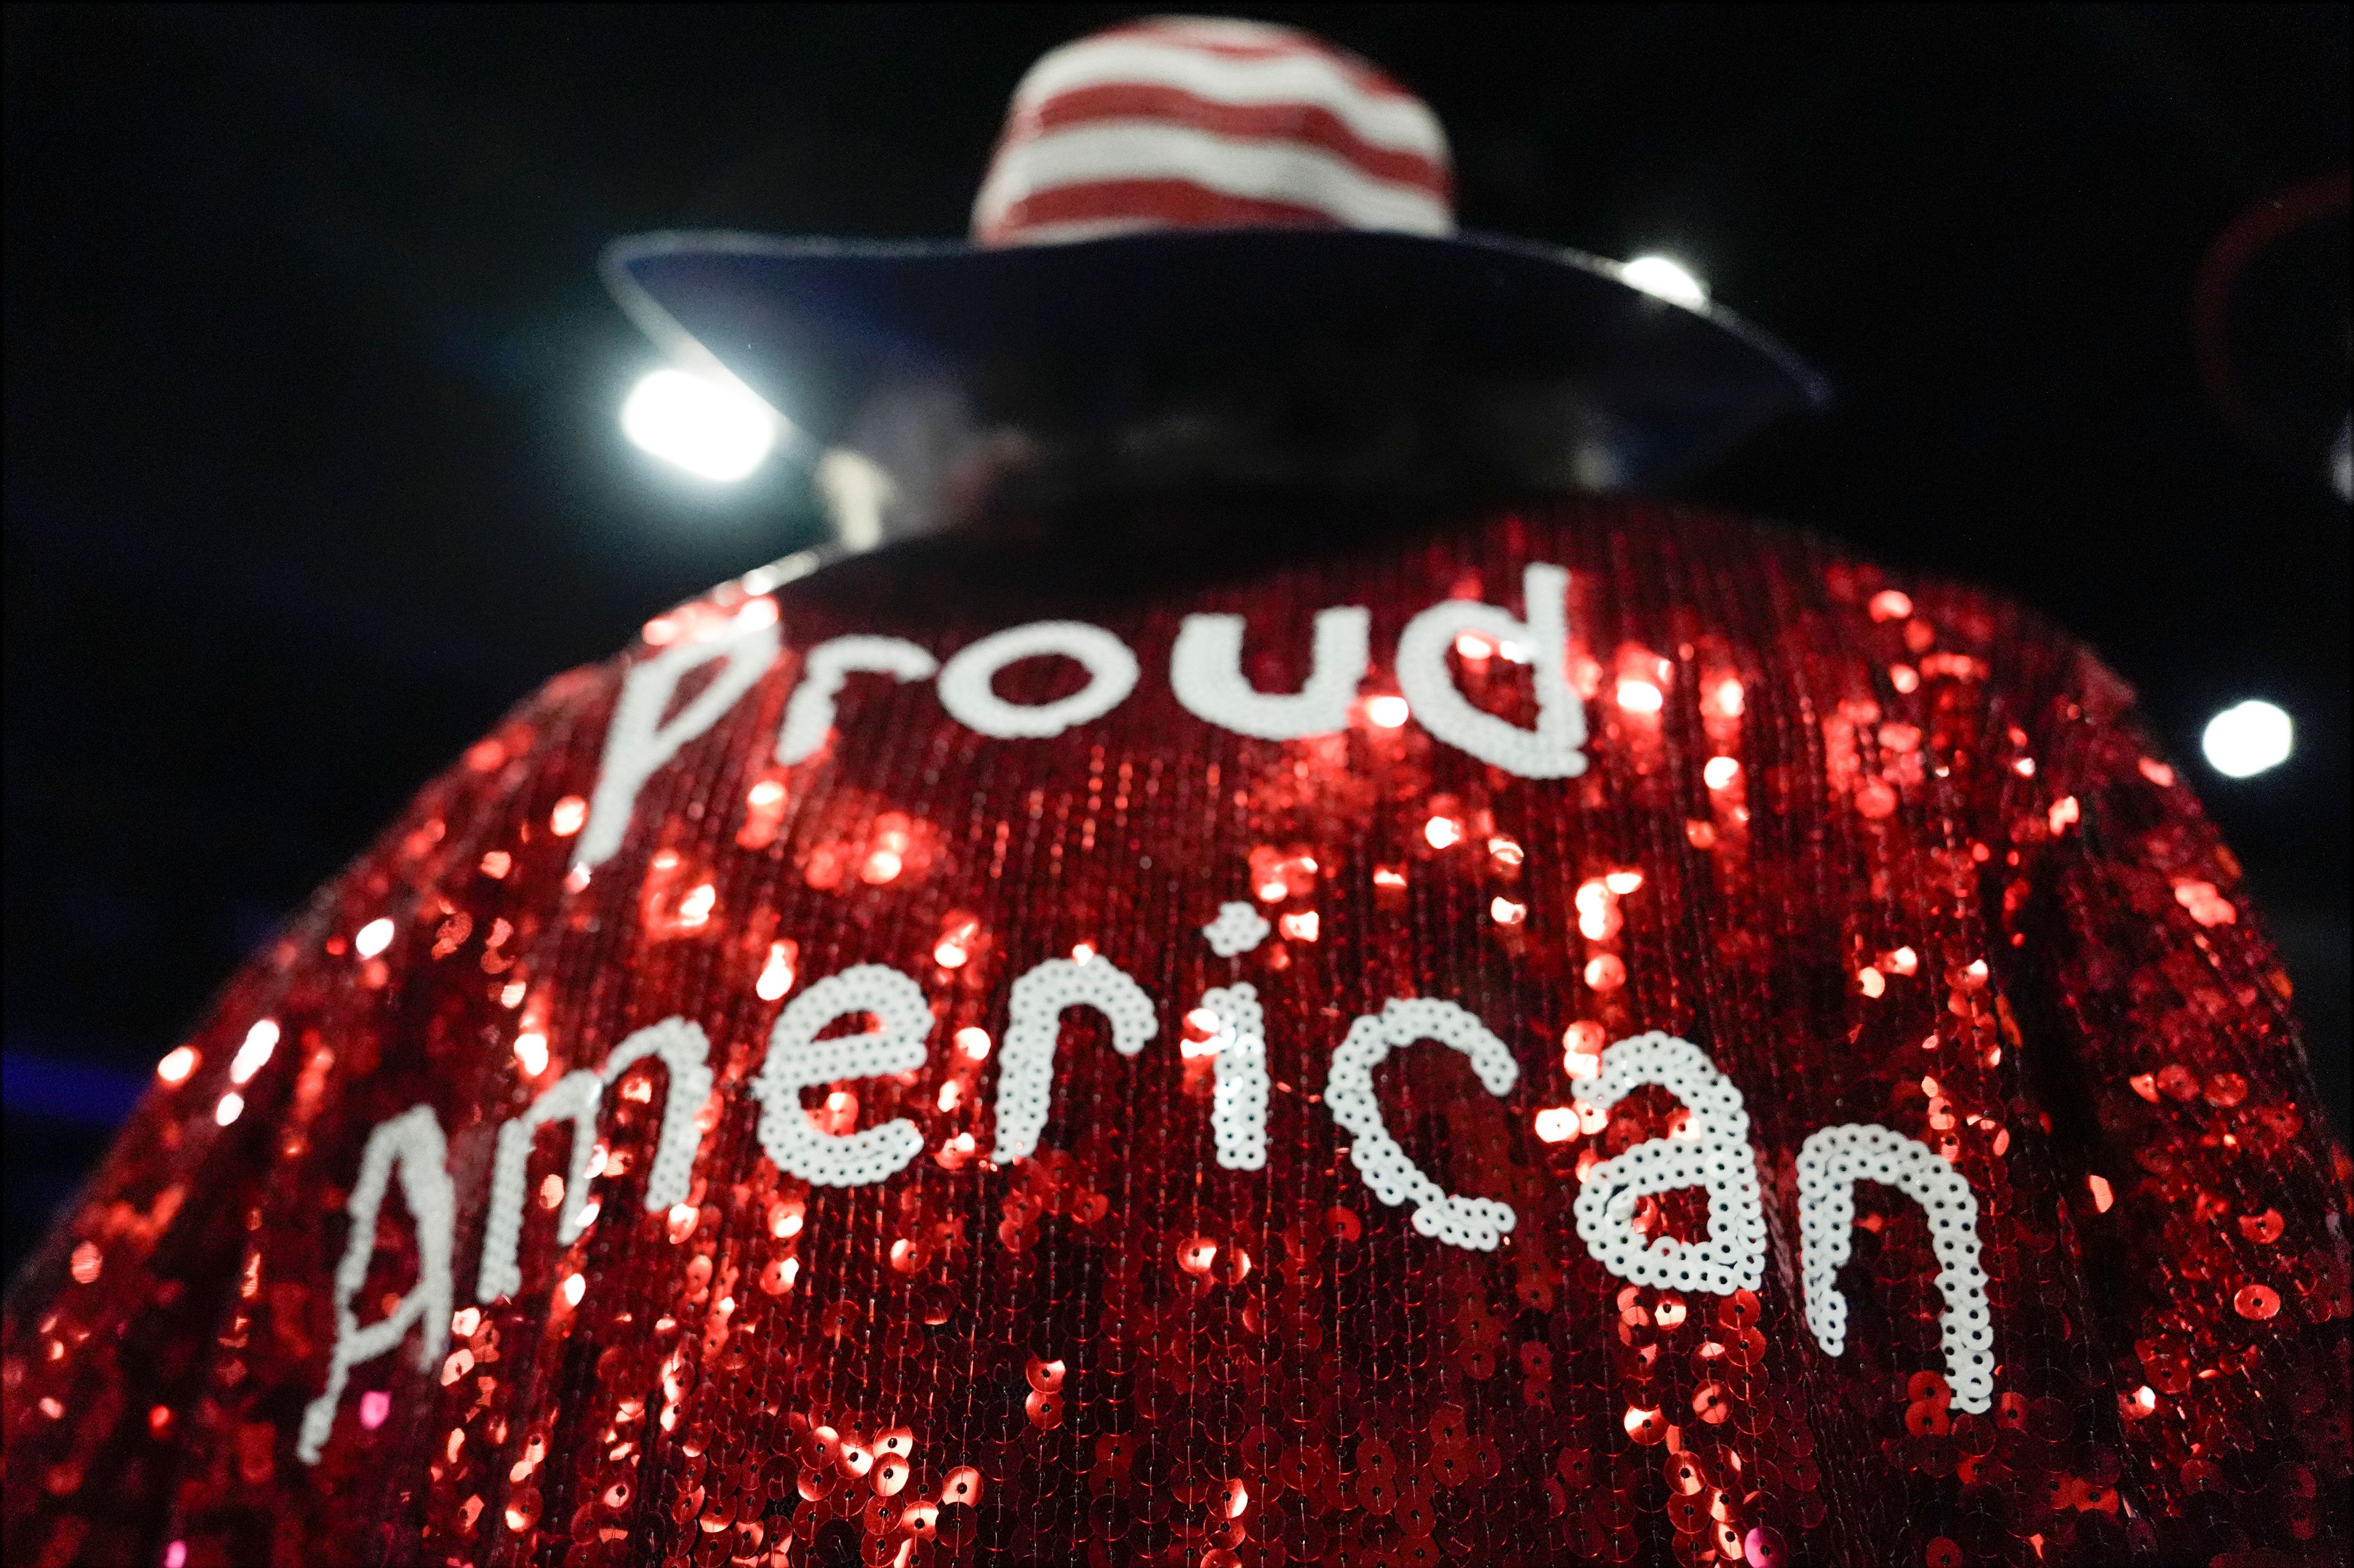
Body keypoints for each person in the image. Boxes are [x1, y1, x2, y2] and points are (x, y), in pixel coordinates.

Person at [5, 18, 2345, 1567]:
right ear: (1501, 369)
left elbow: (105, 1426)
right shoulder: (1916, 685)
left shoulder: (585, 763)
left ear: (944, 385)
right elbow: (2270, 1390)